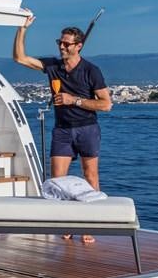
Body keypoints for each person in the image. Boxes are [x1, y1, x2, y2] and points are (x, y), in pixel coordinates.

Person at [13, 14, 113, 241]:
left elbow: (106, 104)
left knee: (91, 177)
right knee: (57, 181)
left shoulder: (91, 71)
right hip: (62, 130)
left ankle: (90, 225)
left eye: (66, 44)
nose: (61, 47)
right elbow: (20, 58)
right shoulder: (53, 66)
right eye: (60, 42)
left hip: (87, 128)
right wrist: (22, 28)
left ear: (78, 46)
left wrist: (73, 100)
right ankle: (66, 223)